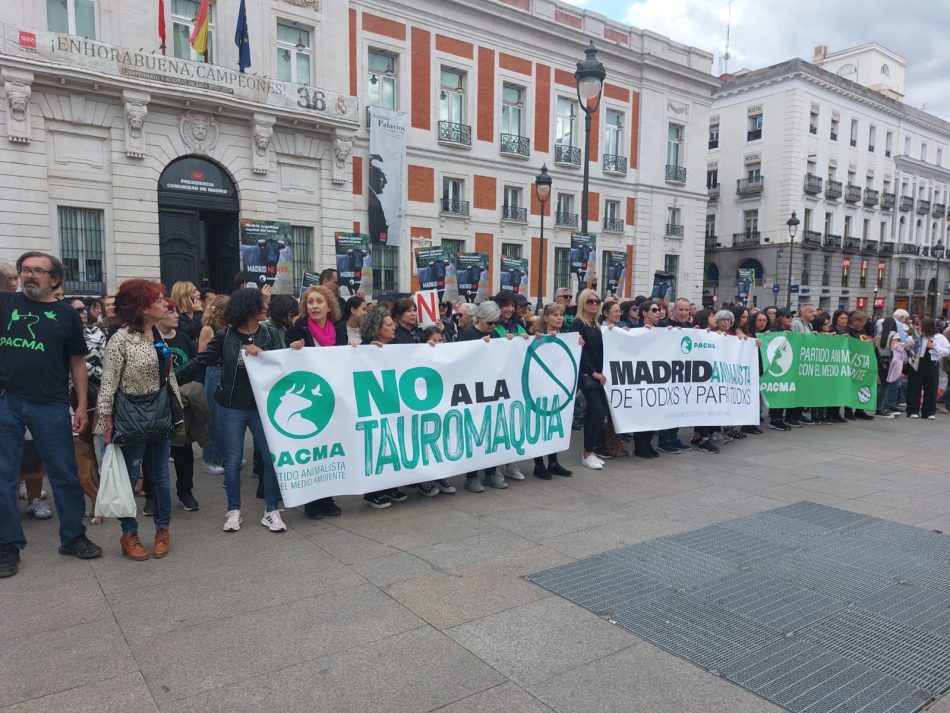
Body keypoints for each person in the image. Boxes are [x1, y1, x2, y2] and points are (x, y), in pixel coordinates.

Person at [0, 252, 103, 577]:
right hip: (7, 400)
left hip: (52, 403)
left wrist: (81, 405)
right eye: (26, 270)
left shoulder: (66, 315)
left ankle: (73, 536)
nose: (30, 275)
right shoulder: (5, 305)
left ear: (55, 279)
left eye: (38, 271)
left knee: (64, 474)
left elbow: (77, 361)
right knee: (3, 477)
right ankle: (7, 546)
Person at [176, 289, 290, 533]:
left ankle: (271, 510)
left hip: (263, 407)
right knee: (232, 460)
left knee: (270, 459)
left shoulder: (269, 334)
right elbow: (200, 360)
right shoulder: (225, 336)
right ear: (248, 309)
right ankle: (233, 510)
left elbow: (284, 362)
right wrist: (171, 379)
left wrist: (268, 354)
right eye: (260, 305)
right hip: (232, 407)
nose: (265, 308)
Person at [96, 281, 183, 560]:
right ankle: (129, 533)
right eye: (158, 300)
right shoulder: (120, 339)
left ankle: (162, 529)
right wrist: (106, 424)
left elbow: (168, 377)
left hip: (159, 414)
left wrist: (177, 411)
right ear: (142, 308)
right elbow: (108, 383)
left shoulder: (157, 332)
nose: (165, 304)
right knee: (130, 478)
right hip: (130, 417)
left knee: (159, 476)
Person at [284, 286, 346, 519]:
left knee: (330, 449)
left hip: (332, 396)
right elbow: (286, 362)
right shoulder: (297, 330)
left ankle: (328, 498)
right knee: (313, 449)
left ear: (329, 306)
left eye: (319, 301)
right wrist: (292, 350)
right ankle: (311, 500)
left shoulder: (338, 331)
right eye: (310, 302)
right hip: (308, 399)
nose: (315, 306)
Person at [358, 307, 409, 507]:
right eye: (388, 325)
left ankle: (390, 487)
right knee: (377, 446)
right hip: (374, 406)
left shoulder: (396, 346)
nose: (393, 327)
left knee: (393, 445)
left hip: (393, 404)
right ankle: (372, 493)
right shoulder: (365, 348)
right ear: (377, 329)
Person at [157, 298, 206, 511]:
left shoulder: (184, 338)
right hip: (158, 402)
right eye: (170, 312)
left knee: (183, 450)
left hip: (182, 403)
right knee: (156, 450)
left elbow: (195, 364)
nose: (177, 316)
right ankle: (153, 496)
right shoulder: (150, 339)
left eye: (177, 312)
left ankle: (185, 492)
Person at [458, 301, 510, 490]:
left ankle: (490, 472)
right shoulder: (468, 335)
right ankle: (471, 477)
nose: (493, 326)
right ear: (480, 319)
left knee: (491, 430)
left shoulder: (495, 334)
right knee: (474, 433)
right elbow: (460, 359)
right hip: (472, 389)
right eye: (490, 323)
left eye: (496, 323)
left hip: (491, 389)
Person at [532, 304, 574, 480]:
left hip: (556, 388)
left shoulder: (567, 338)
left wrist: (577, 344)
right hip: (538, 387)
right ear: (546, 318)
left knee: (554, 423)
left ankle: (554, 462)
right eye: (555, 315)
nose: (559, 318)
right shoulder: (537, 337)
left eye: (561, 315)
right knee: (538, 423)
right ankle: (539, 464)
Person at [572, 289, 609, 469]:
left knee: (592, 414)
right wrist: (593, 372)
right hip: (588, 375)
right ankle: (588, 452)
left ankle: (589, 451)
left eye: (596, 301)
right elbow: (582, 353)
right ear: (582, 303)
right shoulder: (578, 324)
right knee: (599, 412)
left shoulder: (597, 324)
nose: (594, 304)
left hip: (600, 374)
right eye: (590, 301)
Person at [198, 295, 229, 475]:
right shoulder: (208, 329)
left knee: (226, 418)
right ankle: (210, 458)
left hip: (227, 371)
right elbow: (202, 355)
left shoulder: (229, 328)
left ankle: (225, 455)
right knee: (214, 418)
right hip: (215, 370)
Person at [906, 317, 950, 419]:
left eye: (922, 326)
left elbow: (947, 351)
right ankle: (913, 410)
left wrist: (934, 347)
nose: (920, 328)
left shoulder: (939, 337)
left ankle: (929, 412)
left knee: (931, 388)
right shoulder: (918, 336)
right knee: (914, 386)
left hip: (932, 363)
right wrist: (909, 344)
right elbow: (908, 346)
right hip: (917, 362)